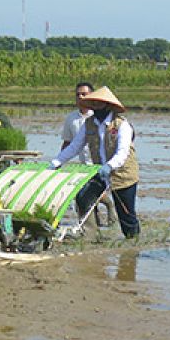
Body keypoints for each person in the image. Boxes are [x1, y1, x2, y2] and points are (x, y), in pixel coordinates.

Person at [51, 86, 140, 239]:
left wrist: (110, 166)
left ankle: (133, 243)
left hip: (122, 174)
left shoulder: (121, 125)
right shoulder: (89, 124)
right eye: (93, 104)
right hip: (100, 171)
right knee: (83, 197)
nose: (96, 107)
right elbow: (74, 146)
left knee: (126, 214)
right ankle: (90, 235)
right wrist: (56, 162)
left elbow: (122, 153)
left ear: (108, 105)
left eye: (99, 104)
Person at [60, 81, 116, 230]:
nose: (80, 97)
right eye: (78, 94)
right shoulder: (71, 119)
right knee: (84, 198)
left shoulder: (98, 116)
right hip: (84, 166)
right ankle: (92, 227)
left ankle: (109, 207)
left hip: (100, 164)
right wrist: (59, 161)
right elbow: (68, 143)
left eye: (84, 94)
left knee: (90, 195)